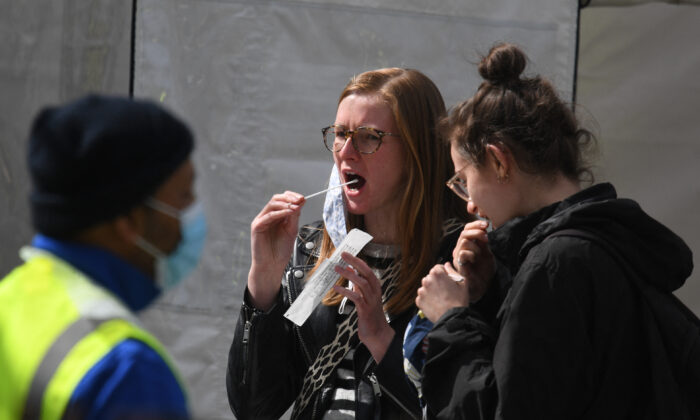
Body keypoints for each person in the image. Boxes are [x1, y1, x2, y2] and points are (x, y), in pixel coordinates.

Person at [414, 43, 694, 419]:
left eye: (464, 180)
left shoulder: (555, 264)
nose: (469, 205)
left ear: (498, 161)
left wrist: (451, 319)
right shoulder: (606, 240)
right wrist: (492, 290)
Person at [226, 68, 469, 419]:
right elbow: (254, 407)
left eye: (369, 137)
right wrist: (262, 282)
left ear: (417, 149)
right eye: (340, 134)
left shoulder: (458, 259)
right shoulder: (314, 251)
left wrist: (382, 341)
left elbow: (462, 404)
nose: (346, 152)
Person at [0, 94, 207, 420]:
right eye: (183, 196)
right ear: (130, 222)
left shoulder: (11, 297)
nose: (192, 214)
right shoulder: (126, 373)